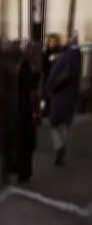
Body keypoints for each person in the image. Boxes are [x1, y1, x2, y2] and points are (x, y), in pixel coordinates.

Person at [43, 34, 82, 166]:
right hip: (70, 95)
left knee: (54, 124)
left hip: (59, 95)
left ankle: (59, 146)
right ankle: (62, 146)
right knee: (65, 124)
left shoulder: (64, 57)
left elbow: (54, 75)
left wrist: (48, 89)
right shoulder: (77, 57)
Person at [14, 40, 41, 184]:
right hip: (25, 108)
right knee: (26, 141)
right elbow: (32, 91)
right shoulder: (26, 69)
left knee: (23, 140)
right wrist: (35, 110)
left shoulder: (20, 68)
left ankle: (22, 170)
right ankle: (24, 171)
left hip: (20, 108)